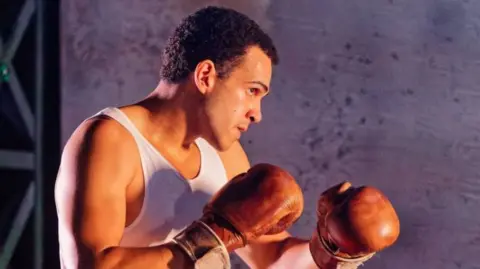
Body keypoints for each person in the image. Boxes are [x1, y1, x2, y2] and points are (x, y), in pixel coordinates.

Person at [55, 6, 400, 269]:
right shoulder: (110, 139)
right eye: (252, 91)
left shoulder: (227, 157)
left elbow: (271, 257)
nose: (257, 112)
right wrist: (209, 240)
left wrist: (329, 247)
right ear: (206, 76)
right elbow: (88, 265)